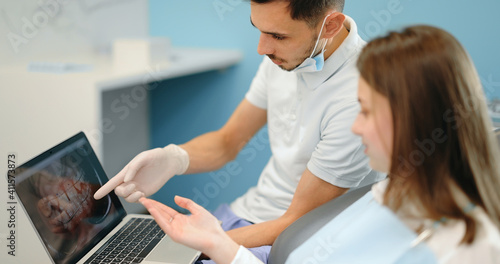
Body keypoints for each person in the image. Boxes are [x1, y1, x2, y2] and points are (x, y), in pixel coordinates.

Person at [139, 25, 500, 263]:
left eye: (367, 112)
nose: (356, 127)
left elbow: (296, 227)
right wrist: (217, 242)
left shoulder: (470, 249)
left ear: (415, 117)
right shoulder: (393, 191)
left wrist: (214, 243)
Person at [94, 0, 384, 262]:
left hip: (289, 238)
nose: (262, 48)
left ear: (329, 26)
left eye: (278, 36)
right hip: (244, 214)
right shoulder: (284, 57)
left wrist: (196, 245)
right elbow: (227, 142)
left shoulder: (359, 97)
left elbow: (295, 222)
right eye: (259, 29)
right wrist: (173, 159)